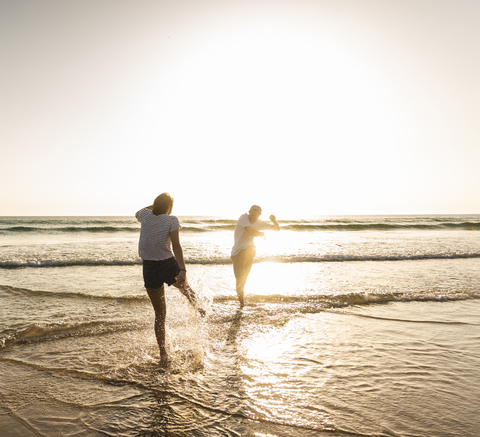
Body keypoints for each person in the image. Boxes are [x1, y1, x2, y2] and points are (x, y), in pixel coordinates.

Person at [136, 192, 204, 366]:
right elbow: (176, 245)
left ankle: (163, 354)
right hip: (167, 264)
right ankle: (200, 308)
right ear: (169, 207)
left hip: (149, 267)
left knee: (159, 315)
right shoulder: (171, 220)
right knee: (185, 289)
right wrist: (182, 269)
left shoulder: (145, 215)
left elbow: (139, 211)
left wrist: (154, 206)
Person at [231, 205, 280, 307]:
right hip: (237, 252)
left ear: (259, 215)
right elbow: (250, 231)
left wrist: (274, 220)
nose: (253, 217)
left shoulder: (259, 223)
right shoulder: (243, 217)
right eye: (252, 214)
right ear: (249, 212)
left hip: (249, 248)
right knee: (239, 283)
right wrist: (261, 233)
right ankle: (242, 304)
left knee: (250, 252)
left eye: (256, 215)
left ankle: (245, 278)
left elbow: (276, 228)